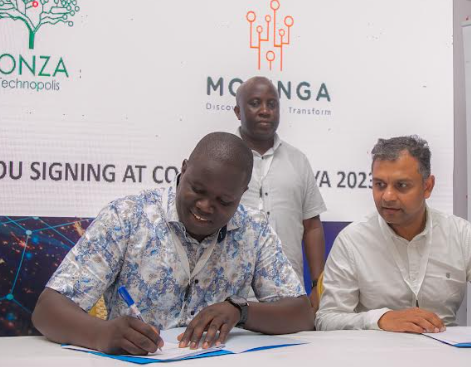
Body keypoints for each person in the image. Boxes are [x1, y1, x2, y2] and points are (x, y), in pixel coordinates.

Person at [32, 132, 314, 355]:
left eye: (224, 201)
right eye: (197, 189)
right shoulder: (127, 216)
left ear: (242, 194)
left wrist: (241, 310)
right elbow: (47, 311)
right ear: (183, 169)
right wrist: (101, 334)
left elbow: (301, 314)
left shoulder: (254, 228)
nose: (205, 206)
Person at [315, 136, 471, 336]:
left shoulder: (461, 235)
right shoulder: (352, 241)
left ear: (428, 186)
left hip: (448, 361)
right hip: (376, 363)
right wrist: (381, 319)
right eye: (379, 185)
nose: (388, 196)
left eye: (401, 186)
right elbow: (327, 319)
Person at [234, 76, 327, 310]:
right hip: (230, 291)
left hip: (288, 294)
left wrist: (317, 285)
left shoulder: (298, 160)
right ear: (238, 111)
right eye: (255, 103)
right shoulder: (222, 157)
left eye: (272, 104)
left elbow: (312, 225)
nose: (265, 111)